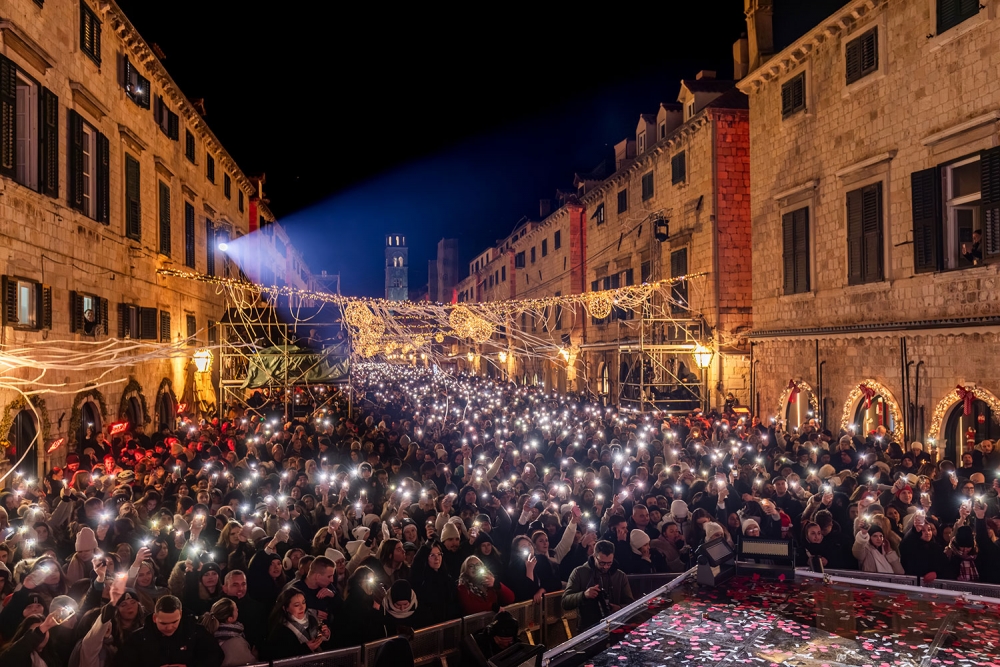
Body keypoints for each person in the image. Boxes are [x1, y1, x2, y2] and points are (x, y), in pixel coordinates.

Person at [114, 595, 224, 667]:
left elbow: (216, 657)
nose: (169, 627)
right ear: (154, 618)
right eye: (163, 623)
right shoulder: (138, 638)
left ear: (180, 615)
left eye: (174, 622)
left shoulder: (196, 632)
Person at [561, 540, 634, 630]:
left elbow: (631, 604)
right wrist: (584, 595)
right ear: (594, 556)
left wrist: (619, 608)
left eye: (609, 563)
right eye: (602, 563)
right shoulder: (579, 573)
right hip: (587, 629)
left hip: (615, 627)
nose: (606, 567)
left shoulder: (620, 576)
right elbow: (565, 602)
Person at [263, 589, 330, 659]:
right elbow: (281, 656)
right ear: (286, 608)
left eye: (303, 602)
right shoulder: (281, 629)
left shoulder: (312, 617)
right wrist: (305, 649)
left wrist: (324, 635)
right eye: (296, 605)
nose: (302, 608)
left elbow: (322, 643)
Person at [198, 598, 255, 667]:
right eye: (235, 609)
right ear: (230, 619)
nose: (238, 610)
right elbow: (248, 663)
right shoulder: (235, 643)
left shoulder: (208, 635)